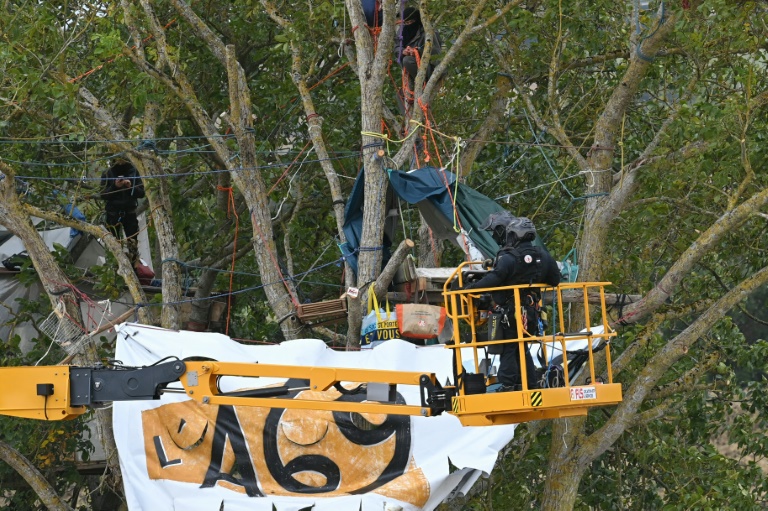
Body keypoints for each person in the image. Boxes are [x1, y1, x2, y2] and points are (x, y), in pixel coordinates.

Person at [464, 214, 561, 391]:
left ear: (514, 235)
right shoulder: (543, 256)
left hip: (512, 313)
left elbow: (495, 278)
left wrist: (470, 288)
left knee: (510, 347)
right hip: (531, 313)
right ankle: (530, 384)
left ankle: (507, 384)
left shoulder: (509, 257)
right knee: (521, 346)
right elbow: (555, 279)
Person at [98, 160, 145, 267]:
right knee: (113, 245)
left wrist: (130, 186)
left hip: (130, 214)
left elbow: (141, 193)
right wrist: (115, 186)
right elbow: (103, 194)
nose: (120, 162)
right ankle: (113, 270)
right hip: (113, 214)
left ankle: (134, 270)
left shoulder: (133, 172)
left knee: (132, 244)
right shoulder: (107, 173)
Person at [398, 7, 442, 94]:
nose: (409, 24)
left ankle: (423, 83)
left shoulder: (428, 32)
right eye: (406, 23)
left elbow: (435, 53)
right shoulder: (402, 30)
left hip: (429, 67)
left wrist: (416, 52)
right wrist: (403, 51)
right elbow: (396, 46)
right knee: (400, 95)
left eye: (411, 22)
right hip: (411, 70)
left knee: (407, 60)